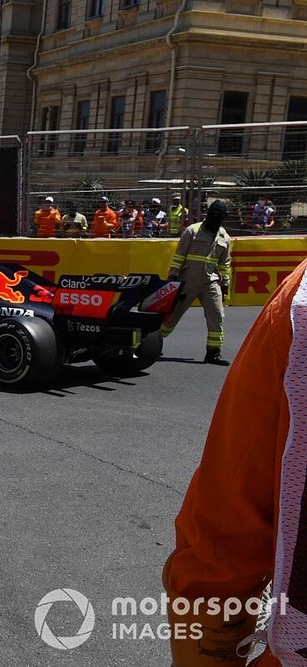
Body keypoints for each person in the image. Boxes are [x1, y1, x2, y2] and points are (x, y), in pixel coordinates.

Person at [163, 256, 307, 667]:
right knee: (179, 312)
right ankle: (164, 334)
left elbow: (222, 535)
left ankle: (206, 347)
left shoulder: (300, 311)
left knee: (216, 315)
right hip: (191, 281)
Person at [160, 199, 232, 365]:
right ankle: (151, 342)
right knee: (171, 316)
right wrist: (173, 277)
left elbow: (224, 264)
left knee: (217, 315)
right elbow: (179, 256)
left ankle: (213, 353)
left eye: (219, 216)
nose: (215, 218)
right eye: (213, 215)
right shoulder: (192, 231)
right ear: (208, 214)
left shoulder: (224, 237)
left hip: (210, 282)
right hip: (187, 280)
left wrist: (225, 285)